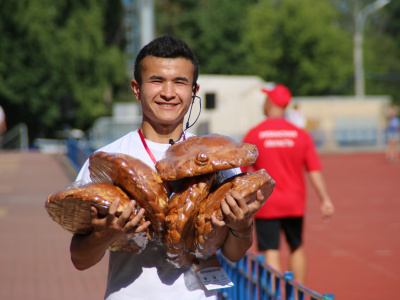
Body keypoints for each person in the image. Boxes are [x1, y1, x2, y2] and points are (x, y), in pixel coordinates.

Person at [70, 35, 266, 300]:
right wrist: (105, 235)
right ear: (136, 88)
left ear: (194, 90)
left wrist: (242, 226)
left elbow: (235, 252)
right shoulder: (107, 162)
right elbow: (79, 259)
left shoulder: (217, 156)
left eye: (180, 82)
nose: (168, 92)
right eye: (157, 80)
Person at [241, 83, 334, 284]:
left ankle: (275, 295)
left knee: (270, 250)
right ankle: (298, 292)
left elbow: (240, 171)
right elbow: (314, 169)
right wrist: (325, 199)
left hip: (266, 201)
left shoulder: (255, 134)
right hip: (294, 201)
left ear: (270, 103)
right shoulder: (300, 134)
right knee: (297, 246)